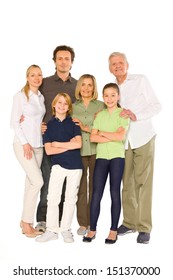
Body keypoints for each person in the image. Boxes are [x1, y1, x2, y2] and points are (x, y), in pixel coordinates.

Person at [108, 52, 162, 244]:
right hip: (122, 142)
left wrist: (135, 114)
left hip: (143, 137)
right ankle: (129, 222)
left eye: (120, 63)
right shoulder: (112, 89)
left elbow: (157, 106)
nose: (117, 66)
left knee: (143, 182)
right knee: (126, 183)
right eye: (113, 64)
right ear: (110, 68)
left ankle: (144, 227)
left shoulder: (140, 80)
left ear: (127, 65)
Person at [35, 45, 77, 233]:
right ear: (54, 61)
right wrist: (35, 123)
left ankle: (59, 221)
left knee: (65, 182)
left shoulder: (77, 85)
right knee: (46, 179)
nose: (63, 61)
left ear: (71, 62)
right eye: (60, 58)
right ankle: (43, 220)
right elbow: (31, 104)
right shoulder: (43, 83)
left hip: (68, 143)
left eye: (67, 58)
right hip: (49, 140)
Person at [83, 83, 129, 244]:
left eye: (113, 95)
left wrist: (101, 133)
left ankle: (113, 230)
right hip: (101, 157)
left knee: (114, 192)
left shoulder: (123, 114)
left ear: (118, 96)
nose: (109, 98)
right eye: (106, 95)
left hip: (117, 157)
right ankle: (92, 229)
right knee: (96, 193)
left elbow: (120, 137)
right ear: (103, 97)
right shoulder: (100, 115)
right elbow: (93, 138)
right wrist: (110, 134)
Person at [36, 93, 83, 243]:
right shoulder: (48, 126)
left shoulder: (74, 124)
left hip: (75, 167)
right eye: (59, 103)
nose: (62, 106)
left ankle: (65, 229)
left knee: (70, 199)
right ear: (54, 105)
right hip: (58, 166)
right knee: (53, 199)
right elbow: (49, 150)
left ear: (69, 107)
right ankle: (52, 230)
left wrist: (57, 144)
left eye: (65, 104)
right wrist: (68, 145)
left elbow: (78, 144)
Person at [10, 64, 46, 238]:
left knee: (30, 184)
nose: (37, 78)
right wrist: (25, 143)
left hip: (38, 146)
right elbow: (14, 122)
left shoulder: (40, 97)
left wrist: (41, 127)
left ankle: (25, 220)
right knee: (38, 182)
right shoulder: (20, 96)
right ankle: (26, 223)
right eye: (33, 75)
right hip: (24, 146)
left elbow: (36, 120)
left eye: (39, 75)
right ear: (27, 77)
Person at [72, 74, 105, 236]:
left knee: (95, 189)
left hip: (98, 151)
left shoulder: (101, 106)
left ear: (94, 87)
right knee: (81, 189)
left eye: (90, 85)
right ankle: (83, 223)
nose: (86, 88)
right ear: (79, 87)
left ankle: (93, 223)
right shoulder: (72, 107)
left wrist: (86, 127)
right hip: (78, 152)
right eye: (83, 85)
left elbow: (106, 127)